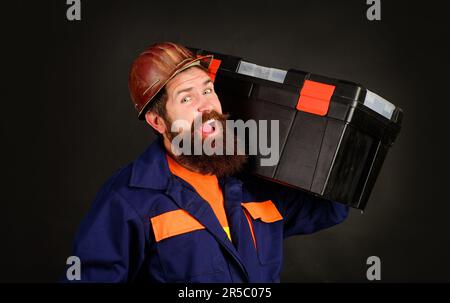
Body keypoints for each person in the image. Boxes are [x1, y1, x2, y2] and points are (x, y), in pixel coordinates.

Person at [64, 42, 349, 282]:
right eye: (186, 99)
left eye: (207, 90)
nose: (206, 106)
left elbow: (331, 207)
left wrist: (334, 140)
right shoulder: (129, 199)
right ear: (158, 121)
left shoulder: (253, 184)